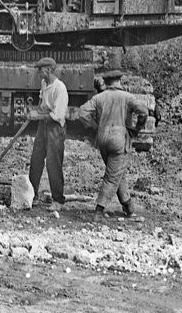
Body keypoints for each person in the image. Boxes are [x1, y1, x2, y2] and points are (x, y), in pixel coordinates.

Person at [77, 67, 154, 217]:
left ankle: (127, 205)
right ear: (119, 81)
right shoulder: (127, 97)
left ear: (106, 82)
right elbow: (144, 112)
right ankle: (99, 210)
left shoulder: (100, 97)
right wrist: (136, 130)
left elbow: (82, 112)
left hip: (102, 140)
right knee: (112, 176)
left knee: (117, 171)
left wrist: (95, 127)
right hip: (119, 139)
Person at [28, 57, 68, 206]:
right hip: (43, 126)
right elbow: (41, 102)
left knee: (53, 163)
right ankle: (32, 195)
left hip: (55, 128)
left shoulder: (60, 88)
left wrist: (37, 115)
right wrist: (35, 111)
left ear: (49, 70)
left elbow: (57, 116)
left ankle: (58, 200)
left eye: (41, 70)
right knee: (36, 160)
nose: (39, 73)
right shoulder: (44, 83)